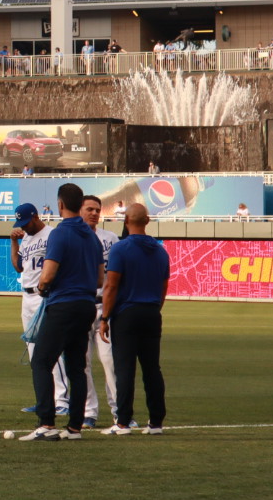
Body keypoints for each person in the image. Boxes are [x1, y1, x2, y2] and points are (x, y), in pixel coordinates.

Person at [20, 183, 102, 441]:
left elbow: (48, 273)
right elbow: (100, 279)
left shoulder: (58, 233)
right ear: (80, 205)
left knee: (41, 361)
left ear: (60, 205)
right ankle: (75, 428)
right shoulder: (92, 235)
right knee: (77, 366)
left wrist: (44, 286)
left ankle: (46, 423)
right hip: (87, 306)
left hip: (63, 305)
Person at [99, 204, 169, 435]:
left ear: (126, 219)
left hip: (127, 314)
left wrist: (105, 317)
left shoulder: (121, 249)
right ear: (147, 220)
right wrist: (155, 308)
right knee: (152, 369)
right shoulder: (161, 251)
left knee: (125, 368)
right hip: (151, 313)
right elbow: (163, 286)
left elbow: (111, 286)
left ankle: (123, 422)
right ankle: (156, 422)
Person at [12, 202, 69, 420]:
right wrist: (13, 242)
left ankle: (62, 400)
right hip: (26, 297)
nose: (23, 227)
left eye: (26, 222)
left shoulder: (52, 235)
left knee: (51, 350)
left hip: (44, 296)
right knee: (35, 352)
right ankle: (44, 400)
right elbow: (18, 266)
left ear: (36, 216)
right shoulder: (25, 237)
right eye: (21, 224)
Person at [80, 194, 119, 428]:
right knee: (82, 362)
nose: (94, 213)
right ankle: (89, 412)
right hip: (82, 305)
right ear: (80, 211)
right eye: (89, 209)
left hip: (105, 307)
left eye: (97, 209)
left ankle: (119, 411)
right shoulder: (73, 239)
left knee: (110, 361)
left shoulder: (111, 238)